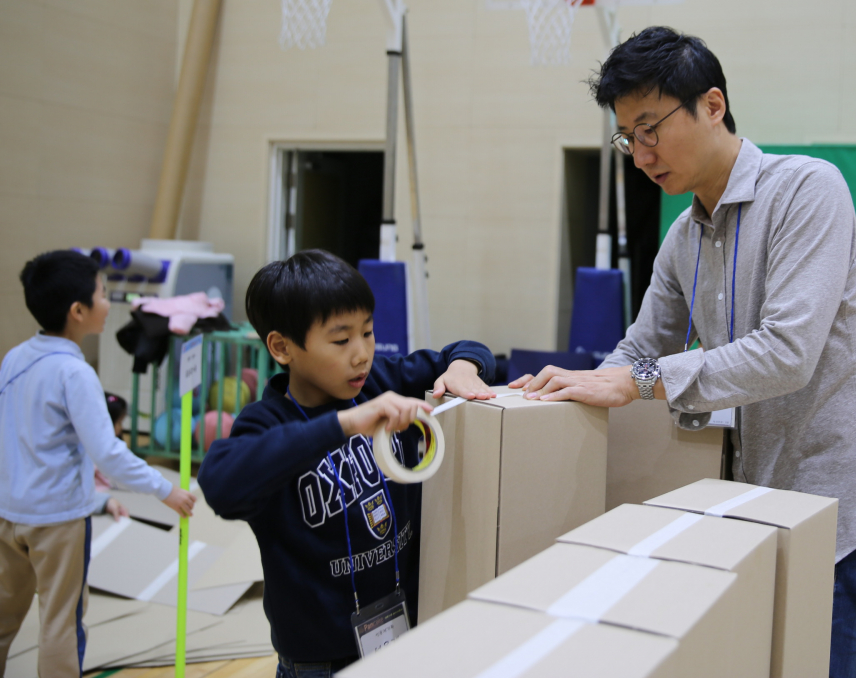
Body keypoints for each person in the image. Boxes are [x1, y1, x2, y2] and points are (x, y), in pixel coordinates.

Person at [511, 27, 856, 678]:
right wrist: (570, 387)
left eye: (651, 129)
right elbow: (642, 346)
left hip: (838, 518)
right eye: (627, 139)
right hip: (758, 508)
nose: (641, 155)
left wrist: (638, 381)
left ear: (712, 105)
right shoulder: (684, 236)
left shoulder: (808, 191)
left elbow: (786, 353)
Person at [198, 250, 496, 678]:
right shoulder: (268, 423)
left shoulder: (379, 382)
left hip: (405, 636)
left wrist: (465, 368)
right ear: (282, 347)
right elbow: (222, 484)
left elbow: (467, 349)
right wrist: (343, 424)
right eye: (341, 340)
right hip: (320, 663)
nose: (361, 354)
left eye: (368, 333)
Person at [0, 250, 197, 677]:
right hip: (57, 521)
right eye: (103, 295)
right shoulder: (75, 373)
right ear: (78, 311)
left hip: (8, 514)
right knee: (60, 623)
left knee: (3, 617)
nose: (109, 303)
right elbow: (107, 451)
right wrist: (165, 490)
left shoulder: (14, 358)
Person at [92, 393, 132, 519]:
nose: (121, 428)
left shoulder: (114, 445)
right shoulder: (92, 452)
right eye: (119, 423)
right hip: (101, 496)